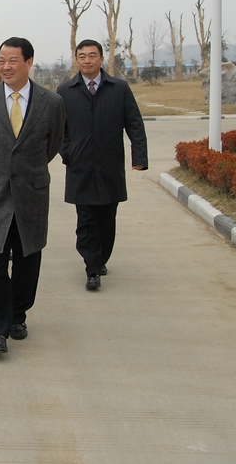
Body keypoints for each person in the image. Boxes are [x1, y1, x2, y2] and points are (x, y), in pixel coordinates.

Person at [0, 37, 65, 355]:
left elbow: (53, 145)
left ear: (29, 62)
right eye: (1, 61)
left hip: (31, 194)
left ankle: (18, 315)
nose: (5, 67)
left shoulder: (51, 102)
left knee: (27, 261)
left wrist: (26, 170)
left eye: (12, 61)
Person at [57, 39, 148, 290]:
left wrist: (139, 158)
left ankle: (100, 258)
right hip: (80, 166)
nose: (87, 60)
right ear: (77, 60)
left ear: (101, 59)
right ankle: (92, 268)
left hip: (110, 165)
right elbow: (58, 129)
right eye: (82, 56)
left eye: (92, 55)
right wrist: (67, 152)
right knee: (86, 220)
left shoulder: (119, 88)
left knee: (107, 219)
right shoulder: (65, 91)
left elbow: (134, 124)